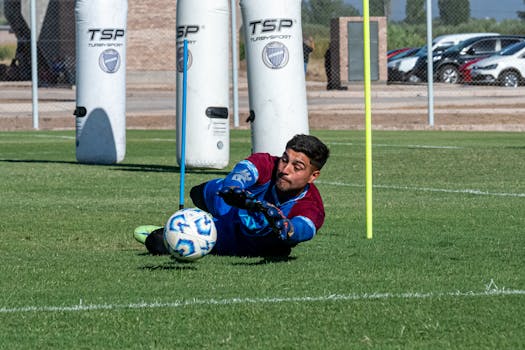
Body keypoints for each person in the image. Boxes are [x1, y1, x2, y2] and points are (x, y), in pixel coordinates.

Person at [135, 134, 330, 257]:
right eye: (285, 159)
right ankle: (197, 213)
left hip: (237, 240)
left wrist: (286, 227)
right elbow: (243, 172)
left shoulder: (312, 206)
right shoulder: (268, 163)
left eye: (297, 167)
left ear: (313, 176)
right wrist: (233, 188)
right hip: (226, 204)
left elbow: (303, 228)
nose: (285, 169)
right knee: (196, 192)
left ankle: (182, 230)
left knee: (157, 242)